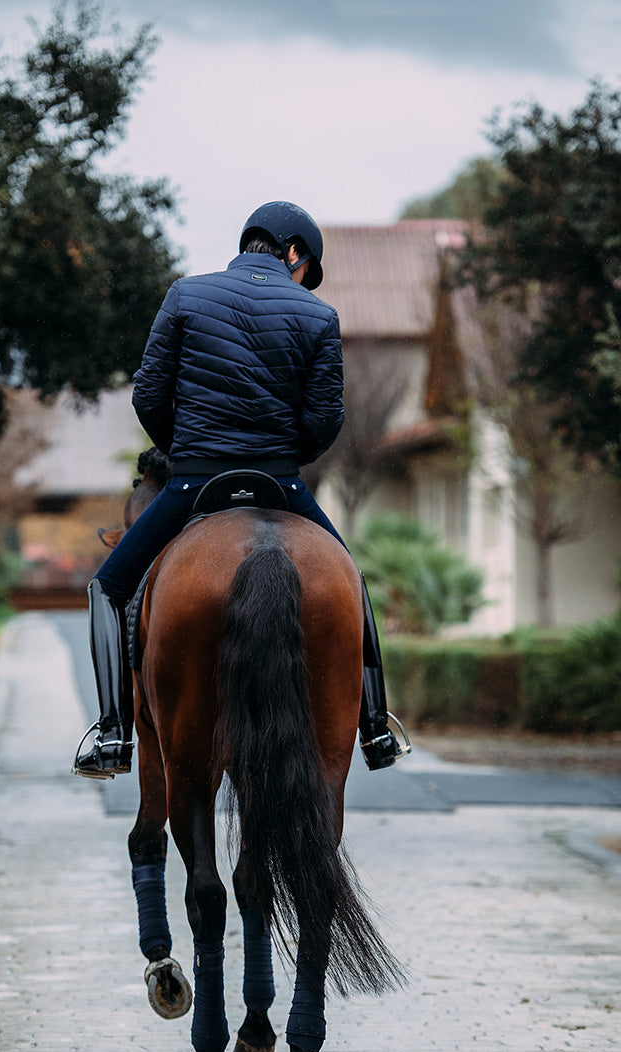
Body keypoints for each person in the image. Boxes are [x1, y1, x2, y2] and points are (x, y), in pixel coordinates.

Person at [73, 200, 410, 778]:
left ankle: (112, 735)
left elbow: (148, 395)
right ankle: (375, 726)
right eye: (307, 268)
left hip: (192, 479)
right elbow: (325, 420)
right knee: (350, 582)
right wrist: (283, 459)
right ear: (295, 253)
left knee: (106, 586)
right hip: (280, 482)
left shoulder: (185, 295)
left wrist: (187, 454)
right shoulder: (319, 315)